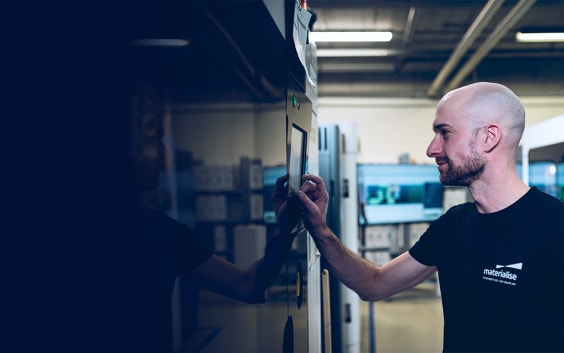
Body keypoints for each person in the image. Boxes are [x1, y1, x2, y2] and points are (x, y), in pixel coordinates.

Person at [294, 82, 564, 352]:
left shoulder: (555, 228)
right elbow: (373, 285)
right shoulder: (452, 226)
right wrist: (320, 230)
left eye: (444, 133)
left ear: (489, 137)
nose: (431, 149)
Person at [130, 84, 300, 352]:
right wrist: (283, 231)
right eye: (155, 140)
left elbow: (249, 286)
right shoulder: (158, 232)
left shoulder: (164, 233)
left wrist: (283, 230)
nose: (165, 156)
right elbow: (250, 286)